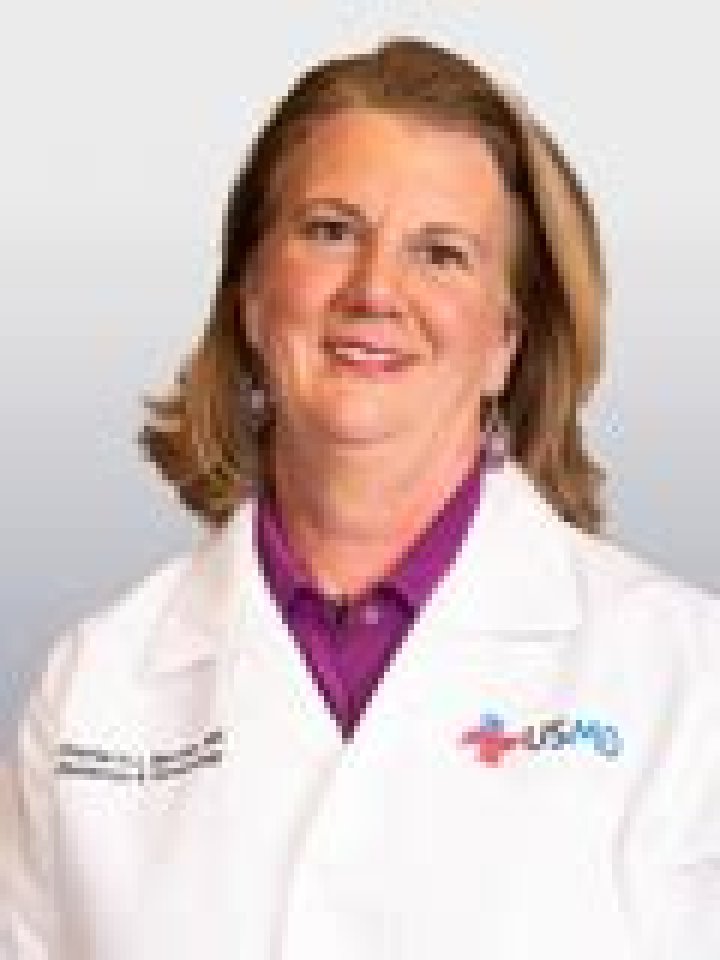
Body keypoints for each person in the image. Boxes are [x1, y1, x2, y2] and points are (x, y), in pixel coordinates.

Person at [4, 36, 719, 960]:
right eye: (331, 231)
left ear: (507, 338)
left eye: (442, 253)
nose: (376, 289)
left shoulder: (684, 679)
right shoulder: (93, 688)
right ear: (251, 294)